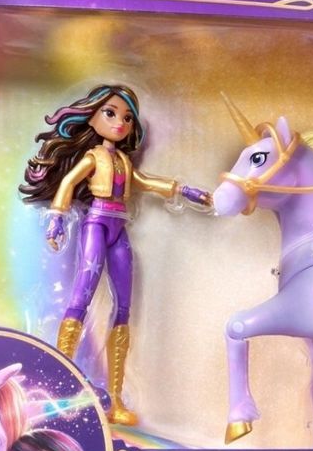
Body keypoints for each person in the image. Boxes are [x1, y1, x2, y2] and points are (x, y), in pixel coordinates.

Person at [20, 84, 211, 425]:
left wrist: (185, 190)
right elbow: (67, 184)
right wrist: (56, 219)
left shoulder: (123, 160)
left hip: (118, 229)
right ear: (91, 117)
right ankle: (60, 391)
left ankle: (117, 399)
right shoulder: (93, 157)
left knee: (123, 309)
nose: (120, 123)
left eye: (126, 118)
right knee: (81, 298)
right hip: (95, 224)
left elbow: (145, 181)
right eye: (110, 113)